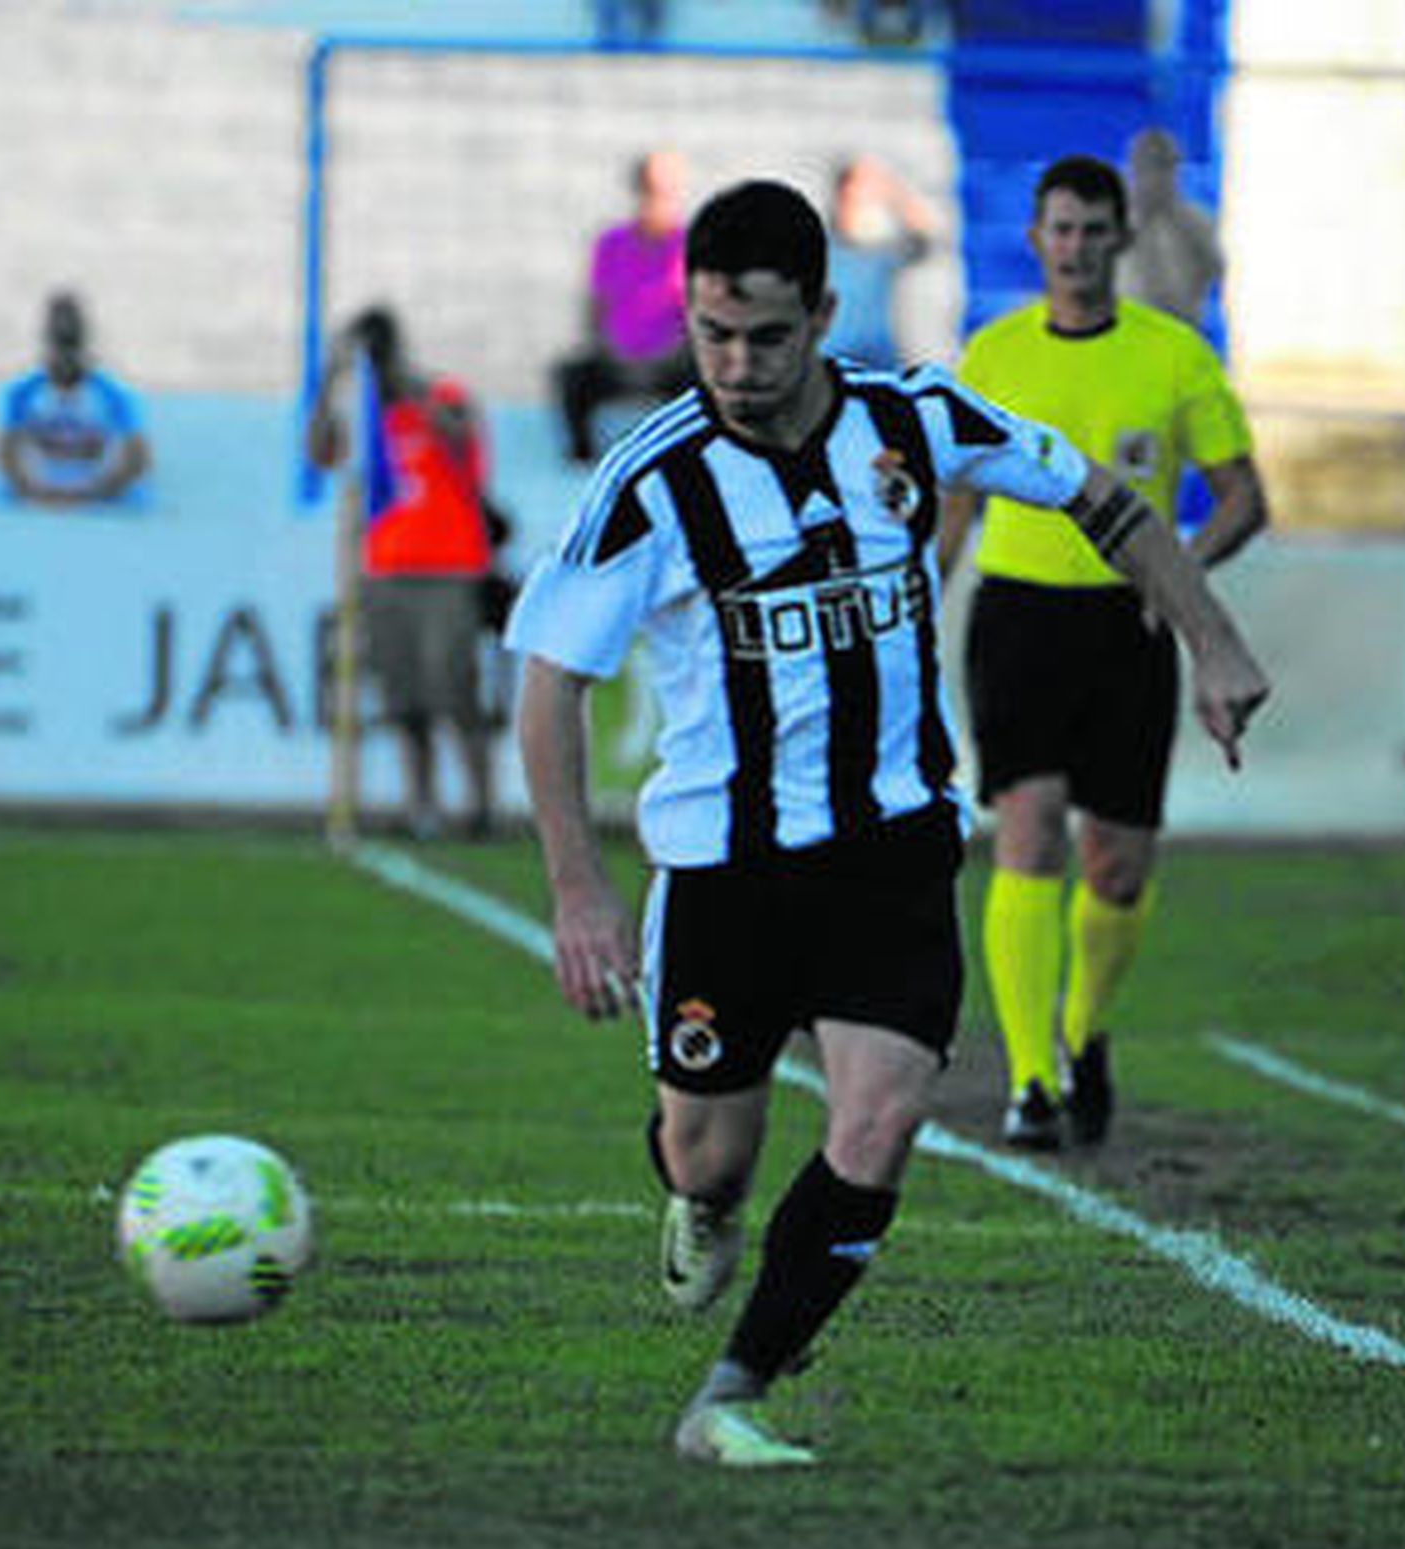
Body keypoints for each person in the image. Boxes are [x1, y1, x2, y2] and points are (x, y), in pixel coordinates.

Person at [509, 178, 1268, 1469]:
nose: (737, 366)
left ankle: (730, 1393)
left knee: (880, 1116)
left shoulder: (911, 417)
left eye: (765, 335)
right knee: (711, 1151)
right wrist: (580, 892)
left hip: (891, 849)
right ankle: (699, 1201)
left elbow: (1103, 497)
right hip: (724, 869)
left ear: (820, 314)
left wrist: (1214, 638)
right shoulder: (652, 483)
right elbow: (548, 684)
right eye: (711, 335)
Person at [939, 154, 1268, 1151]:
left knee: (1115, 865)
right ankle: (1031, 1077)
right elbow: (957, 500)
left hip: (1130, 632)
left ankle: (1083, 1029)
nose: (1076, 249)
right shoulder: (990, 356)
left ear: (1122, 239)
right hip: (1018, 617)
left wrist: (1175, 575)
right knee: (1027, 827)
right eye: (1060, 230)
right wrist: (919, 604)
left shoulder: (1173, 356)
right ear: (1034, 240)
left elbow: (1245, 497)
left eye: (1093, 230)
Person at [305, 305, 496, 840]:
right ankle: (422, 806)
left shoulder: (439, 396)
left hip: (450, 568)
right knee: (404, 699)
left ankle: (479, 807)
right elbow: (318, 454)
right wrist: (329, 384)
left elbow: (466, 443)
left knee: (455, 690)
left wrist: (415, 394)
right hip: (386, 568)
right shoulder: (366, 419)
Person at [554, 149, 691, 463]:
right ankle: (582, 460)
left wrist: (668, 357)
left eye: (666, 191)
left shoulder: (691, 243)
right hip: (615, 361)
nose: (657, 199)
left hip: (673, 364)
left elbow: (698, 317)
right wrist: (610, 353)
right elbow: (596, 309)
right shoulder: (612, 242)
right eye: (651, 189)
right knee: (569, 375)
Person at [0, 291, 150, 506]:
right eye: (61, 346)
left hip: (99, 498)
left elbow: (138, 460)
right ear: (49, 344)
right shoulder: (20, 394)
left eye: (71, 346)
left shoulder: (113, 396)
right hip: (42, 497)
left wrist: (95, 493)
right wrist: (33, 491)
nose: (65, 357)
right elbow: (6, 456)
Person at [823, 154, 942, 369]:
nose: (871, 194)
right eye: (864, 185)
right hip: (833, 358)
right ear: (846, 190)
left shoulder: (882, 249)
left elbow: (925, 238)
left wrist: (895, 195)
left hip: (877, 359)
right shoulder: (823, 246)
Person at [1117, 127, 1225, 329]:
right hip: (1126, 334)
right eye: (1146, 167)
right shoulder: (1111, 223)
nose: (1155, 178)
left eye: (1164, 168)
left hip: (1181, 332)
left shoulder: (1196, 223)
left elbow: (1221, 273)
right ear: (1133, 169)